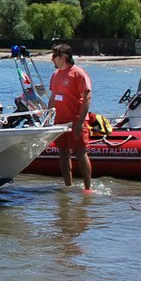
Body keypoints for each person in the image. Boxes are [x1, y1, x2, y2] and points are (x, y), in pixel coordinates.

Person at [47, 43, 93, 191]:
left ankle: (88, 188)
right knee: (63, 154)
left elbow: (87, 98)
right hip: (60, 121)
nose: (52, 59)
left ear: (64, 57)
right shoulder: (55, 75)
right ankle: (68, 186)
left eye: (54, 56)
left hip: (76, 121)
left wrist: (80, 122)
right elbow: (53, 97)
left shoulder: (78, 73)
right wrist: (48, 116)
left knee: (80, 153)